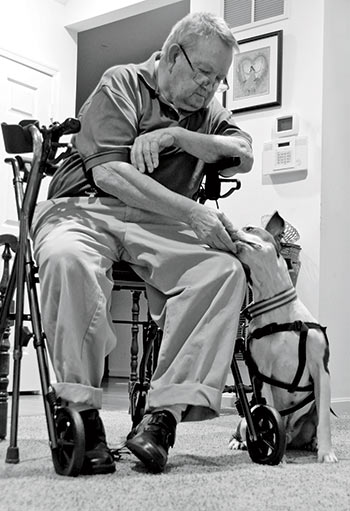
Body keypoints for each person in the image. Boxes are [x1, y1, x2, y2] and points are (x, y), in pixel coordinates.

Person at [31, 11, 253, 475]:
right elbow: (109, 173)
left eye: (219, 80)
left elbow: (244, 152)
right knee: (68, 259)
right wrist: (193, 211)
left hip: (158, 222)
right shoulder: (123, 83)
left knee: (222, 271)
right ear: (174, 56)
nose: (210, 88)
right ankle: (80, 415)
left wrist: (177, 136)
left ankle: (161, 417)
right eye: (204, 74)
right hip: (85, 207)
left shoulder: (207, 111)